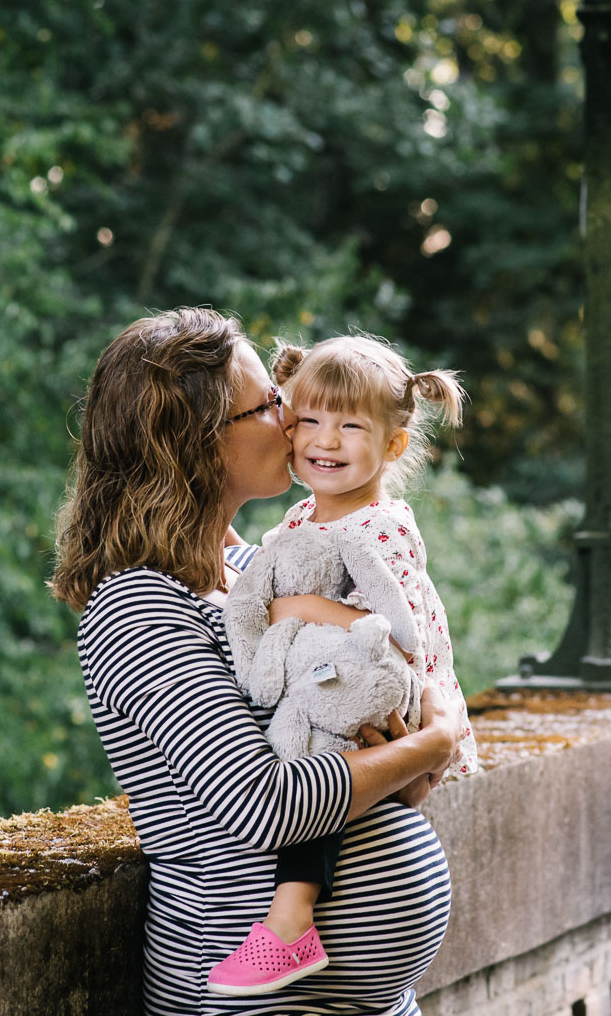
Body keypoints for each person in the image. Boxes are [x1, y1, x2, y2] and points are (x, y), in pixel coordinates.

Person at [52, 308, 464, 1015]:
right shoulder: (139, 607)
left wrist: (406, 754)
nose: (295, 414)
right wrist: (435, 741)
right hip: (254, 999)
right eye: (271, 404)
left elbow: (379, 746)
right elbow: (267, 806)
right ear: (200, 443)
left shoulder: (262, 567)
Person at [207, 335, 480, 998]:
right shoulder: (307, 514)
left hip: (386, 681)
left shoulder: (380, 526)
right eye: (308, 421)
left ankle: (293, 913)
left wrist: (293, 607)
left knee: (315, 756)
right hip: (350, 681)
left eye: (350, 426)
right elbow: (264, 564)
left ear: (392, 446)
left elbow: (394, 635)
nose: (324, 441)